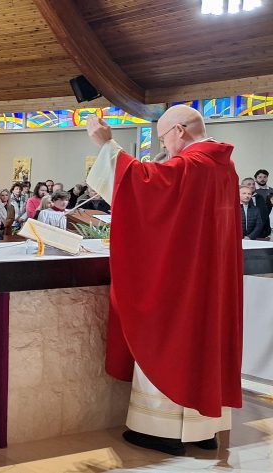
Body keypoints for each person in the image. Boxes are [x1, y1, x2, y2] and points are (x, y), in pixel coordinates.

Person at [84, 107, 241, 456]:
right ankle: (203, 429)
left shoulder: (193, 163)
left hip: (181, 280)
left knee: (167, 338)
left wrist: (107, 145)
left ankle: (160, 430)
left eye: (164, 138)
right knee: (205, 341)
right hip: (209, 277)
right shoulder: (224, 166)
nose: (164, 146)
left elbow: (144, 186)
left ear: (180, 131)